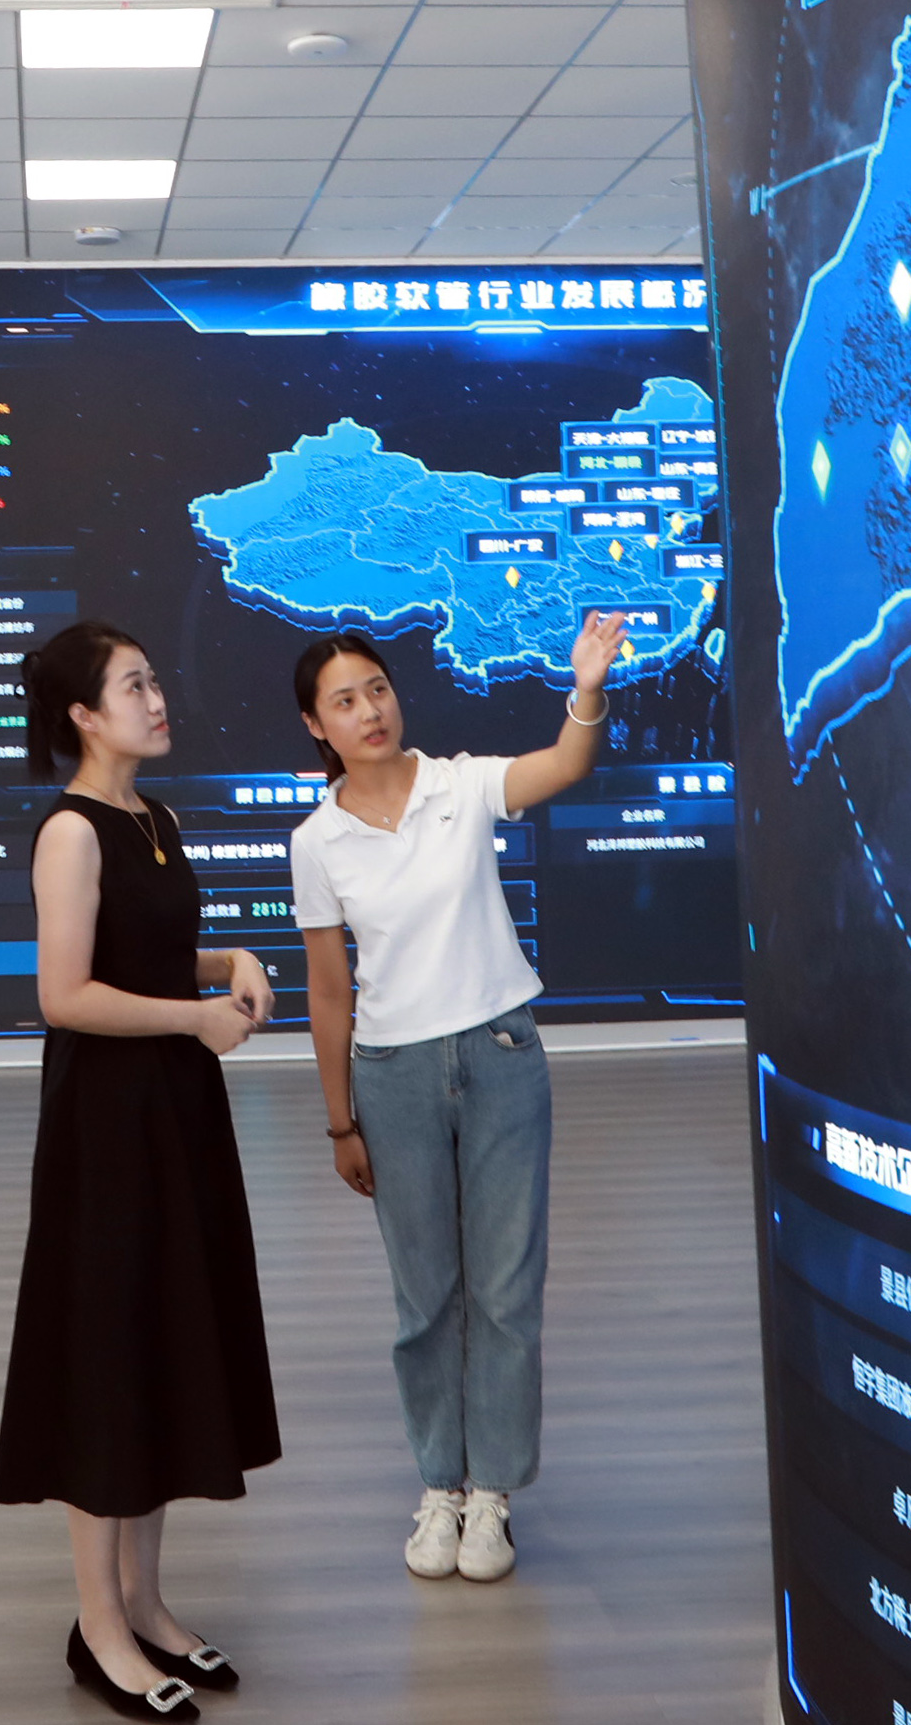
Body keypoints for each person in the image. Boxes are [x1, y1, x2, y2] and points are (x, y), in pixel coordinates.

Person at [288, 611, 627, 1585]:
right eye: (344, 701)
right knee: (426, 1298)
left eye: (378, 689)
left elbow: (563, 764)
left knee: (505, 1290)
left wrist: (587, 688)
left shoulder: (460, 784)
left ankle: (495, 1498)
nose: (369, 711)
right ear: (316, 725)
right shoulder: (317, 841)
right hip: (391, 1077)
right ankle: (441, 1482)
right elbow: (328, 991)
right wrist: (340, 1120)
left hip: (500, 1053)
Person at [0, 623, 280, 1718]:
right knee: (110, 1363)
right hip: (108, 1126)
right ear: (82, 715)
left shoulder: (152, 818)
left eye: (155, 680)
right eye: (134, 686)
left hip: (174, 1113)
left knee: (162, 1348)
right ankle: (99, 1628)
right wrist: (197, 1018)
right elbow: (65, 995)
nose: (158, 699)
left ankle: (147, 1605)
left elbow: (145, 953)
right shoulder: (71, 831)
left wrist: (228, 958)